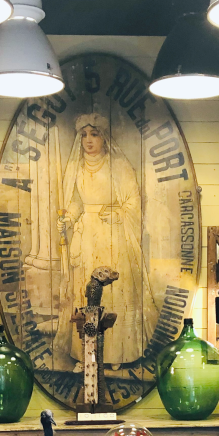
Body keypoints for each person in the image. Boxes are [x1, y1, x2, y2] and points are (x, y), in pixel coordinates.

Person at [55, 113, 157, 370]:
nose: (88, 140)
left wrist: (119, 213)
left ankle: (115, 353)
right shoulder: (77, 168)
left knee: (113, 292)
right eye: (84, 135)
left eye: (94, 134)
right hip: (86, 237)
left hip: (114, 237)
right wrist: (68, 219)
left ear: (104, 137)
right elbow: (76, 203)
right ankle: (85, 355)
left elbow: (134, 202)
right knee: (87, 293)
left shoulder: (118, 166)